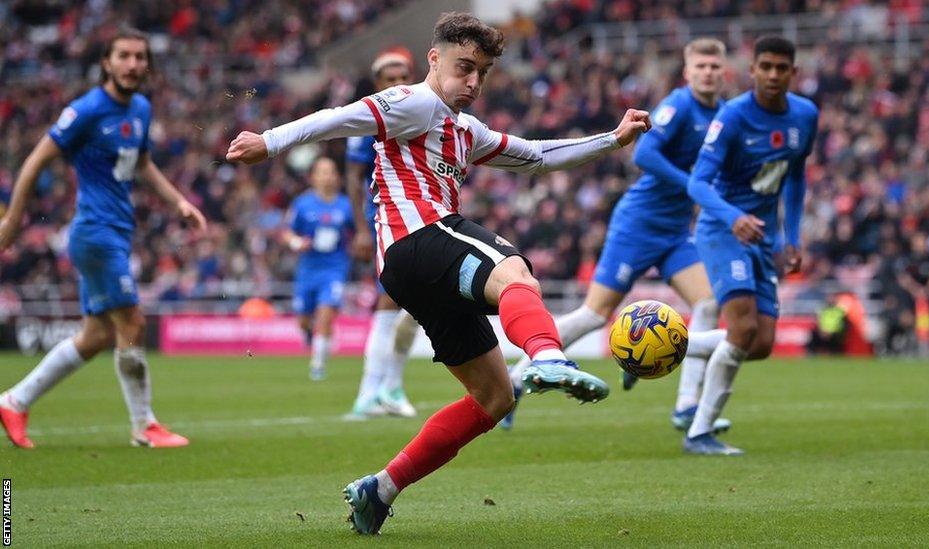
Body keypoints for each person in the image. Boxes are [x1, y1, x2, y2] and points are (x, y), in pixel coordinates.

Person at [226, 12, 649, 535]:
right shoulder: (415, 102)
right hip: (419, 238)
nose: (472, 82)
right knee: (515, 272)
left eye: (482, 73)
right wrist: (268, 141)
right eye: (463, 67)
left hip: (410, 269)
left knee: (494, 399)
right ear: (434, 59)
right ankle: (548, 357)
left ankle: (379, 489)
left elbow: (537, 156)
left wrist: (613, 139)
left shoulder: (464, 129)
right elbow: (338, 117)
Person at [503, 38, 731, 434]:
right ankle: (514, 379)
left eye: (715, 66)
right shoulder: (677, 106)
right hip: (638, 224)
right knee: (594, 315)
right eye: (701, 66)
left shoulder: (724, 114)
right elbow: (643, 155)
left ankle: (686, 405)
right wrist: (692, 184)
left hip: (676, 231)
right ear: (687, 71)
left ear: (724, 71)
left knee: (709, 303)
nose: (708, 72)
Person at [0, 29, 206, 449]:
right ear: (106, 63)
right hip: (94, 232)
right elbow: (36, 159)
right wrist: (13, 220)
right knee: (132, 321)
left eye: (140, 57)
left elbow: (143, 163)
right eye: (124, 56)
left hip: (116, 231)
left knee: (96, 336)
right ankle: (144, 425)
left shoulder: (142, 109)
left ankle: (14, 401)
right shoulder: (87, 110)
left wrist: (178, 202)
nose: (133, 64)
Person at [686, 36, 819, 455]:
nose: (774, 75)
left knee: (759, 344)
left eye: (783, 68)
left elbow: (795, 177)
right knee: (741, 329)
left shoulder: (806, 116)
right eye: (767, 67)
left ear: (793, 73)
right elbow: (697, 183)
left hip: (762, 237)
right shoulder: (733, 117)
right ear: (753, 71)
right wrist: (733, 217)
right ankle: (700, 433)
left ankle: (657, 347)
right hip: (723, 229)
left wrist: (793, 236)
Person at [344, 49, 421, 418]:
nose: (397, 85)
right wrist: (360, 228)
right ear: (378, 84)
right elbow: (354, 178)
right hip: (387, 220)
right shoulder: (368, 119)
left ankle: (388, 388)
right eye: (389, 80)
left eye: (403, 77)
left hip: (424, 218)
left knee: (417, 306)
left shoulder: (425, 112)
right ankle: (371, 392)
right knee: (390, 301)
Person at [283, 156, 355, 380]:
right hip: (307, 270)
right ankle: (309, 335)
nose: (327, 176)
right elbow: (287, 232)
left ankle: (318, 365)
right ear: (313, 177)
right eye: (322, 172)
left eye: (331, 171)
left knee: (325, 314)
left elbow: (359, 232)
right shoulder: (302, 205)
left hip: (334, 269)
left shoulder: (346, 205)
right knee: (304, 320)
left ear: (337, 177)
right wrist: (296, 242)